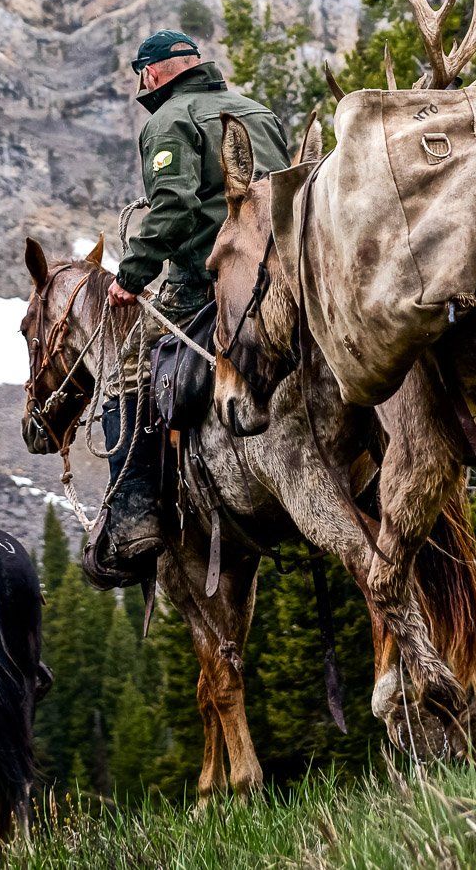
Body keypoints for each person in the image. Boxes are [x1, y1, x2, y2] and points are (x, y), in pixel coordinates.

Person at [95, 30, 289, 578]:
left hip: (206, 278)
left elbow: (175, 206)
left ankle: (135, 515)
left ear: (153, 73)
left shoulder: (168, 120)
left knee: (128, 369)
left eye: (142, 74)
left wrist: (131, 277)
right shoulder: (257, 110)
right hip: (281, 277)